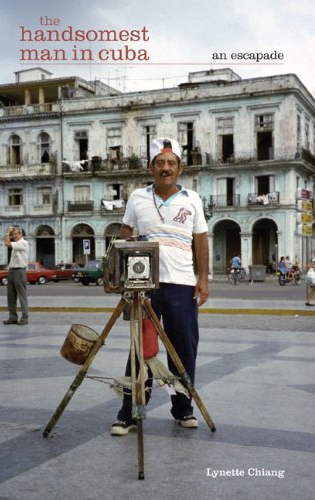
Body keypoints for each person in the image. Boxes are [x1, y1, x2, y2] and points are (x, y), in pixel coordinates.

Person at [111, 137, 209, 436]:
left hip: (182, 284)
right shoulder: (138, 198)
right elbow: (126, 233)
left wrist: (203, 278)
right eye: (160, 163)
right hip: (145, 287)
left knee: (183, 350)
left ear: (180, 168)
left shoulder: (192, 199)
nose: (165, 168)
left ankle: (183, 410)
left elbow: (200, 241)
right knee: (141, 350)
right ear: (151, 167)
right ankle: (131, 413)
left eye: (171, 163)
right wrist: (123, 270)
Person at [3, 226, 29, 325]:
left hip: (19, 271)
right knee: (11, 296)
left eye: (16, 234)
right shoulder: (16, 244)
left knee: (22, 296)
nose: (14, 236)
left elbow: (7, 243)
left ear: (21, 234)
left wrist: (7, 233)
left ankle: (25, 318)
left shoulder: (23, 243)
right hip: (12, 271)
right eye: (13, 234)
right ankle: (12, 317)